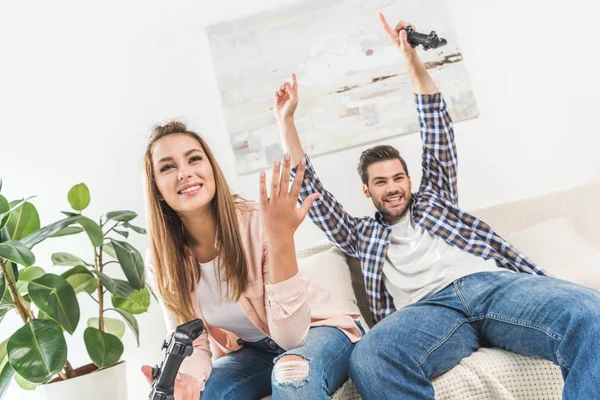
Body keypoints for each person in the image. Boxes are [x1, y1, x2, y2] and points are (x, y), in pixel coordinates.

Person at [274, 13, 600, 399]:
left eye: (398, 178)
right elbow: (308, 189)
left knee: (588, 312)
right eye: (380, 182)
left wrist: (411, 58)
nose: (392, 188)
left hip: (491, 287)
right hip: (428, 313)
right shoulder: (360, 235)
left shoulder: (436, 199)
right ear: (367, 191)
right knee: (371, 357)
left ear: (410, 180)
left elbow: (436, 126)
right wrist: (286, 121)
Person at [139, 121, 362, 400]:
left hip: (320, 331)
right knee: (208, 395)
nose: (184, 173)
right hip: (253, 351)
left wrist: (281, 241)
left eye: (194, 158)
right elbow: (192, 342)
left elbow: (292, 338)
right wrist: (185, 380)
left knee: (291, 376)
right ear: (157, 189)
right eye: (167, 167)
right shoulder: (161, 259)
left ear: (211, 170)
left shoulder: (258, 222)